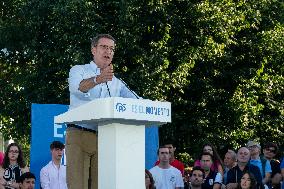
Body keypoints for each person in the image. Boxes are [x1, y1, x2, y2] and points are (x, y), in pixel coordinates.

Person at [66, 34, 139, 189]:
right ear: (93, 49)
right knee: (77, 185)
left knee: (101, 185)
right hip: (79, 134)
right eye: (104, 47)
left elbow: (136, 101)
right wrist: (98, 79)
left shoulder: (117, 82)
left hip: (105, 138)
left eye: (112, 49)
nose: (108, 52)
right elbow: (76, 87)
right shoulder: (79, 70)